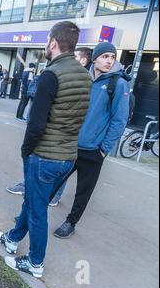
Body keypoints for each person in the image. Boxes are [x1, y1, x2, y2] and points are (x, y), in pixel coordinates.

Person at [0, 21, 91, 278]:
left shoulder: (51, 74)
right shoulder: (85, 74)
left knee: (37, 210)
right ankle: (13, 238)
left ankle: (35, 262)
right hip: (68, 155)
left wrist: (26, 150)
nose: (45, 46)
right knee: (32, 201)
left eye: (47, 41)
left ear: (53, 42)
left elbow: (36, 123)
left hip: (45, 155)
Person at [53, 42, 130, 239]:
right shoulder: (83, 79)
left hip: (93, 151)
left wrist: (103, 149)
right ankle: (31, 215)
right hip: (70, 145)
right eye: (105, 56)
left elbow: (119, 121)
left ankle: (71, 222)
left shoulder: (118, 84)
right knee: (52, 182)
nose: (109, 61)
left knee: (83, 192)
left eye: (112, 57)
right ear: (94, 58)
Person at [6, 47, 95, 206]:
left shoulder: (83, 80)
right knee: (36, 197)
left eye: (74, 56)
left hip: (61, 139)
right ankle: (29, 189)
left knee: (37, 204)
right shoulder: (62, 72)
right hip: (50, 135)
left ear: (83, 60)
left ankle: (51, 195)